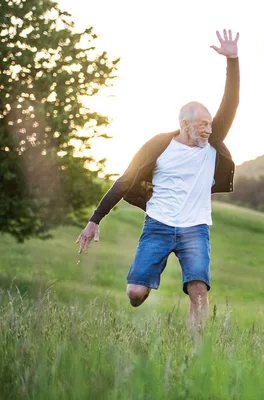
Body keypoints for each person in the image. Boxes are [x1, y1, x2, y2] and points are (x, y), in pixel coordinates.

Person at [76, 30, 240, 329]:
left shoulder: (211, 144)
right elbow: (125, 181)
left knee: (198, 290)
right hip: (158, 225)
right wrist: (95, 219)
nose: (207, 129)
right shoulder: (158, 146)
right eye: (201, 124)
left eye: (209, 124)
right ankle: (144, 281)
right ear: (184, 124)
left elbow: (231, 102)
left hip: (195, 229)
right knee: (136, 294)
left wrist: (232, 60)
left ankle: (199, 357)